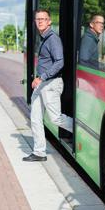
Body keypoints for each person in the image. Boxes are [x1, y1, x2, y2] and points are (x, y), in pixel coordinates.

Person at [23, 9, 73, 162]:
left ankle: (78, 130)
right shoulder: (44, 38)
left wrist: (42, 77)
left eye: (43, 19)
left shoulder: (53, 39)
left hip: (51, 84)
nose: (40, 21)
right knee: (35, 118)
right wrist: (39, 78)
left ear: (49, 21)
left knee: (55, 118)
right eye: (38, 19)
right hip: (42, 83)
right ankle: (39, 152)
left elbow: (60, 62)